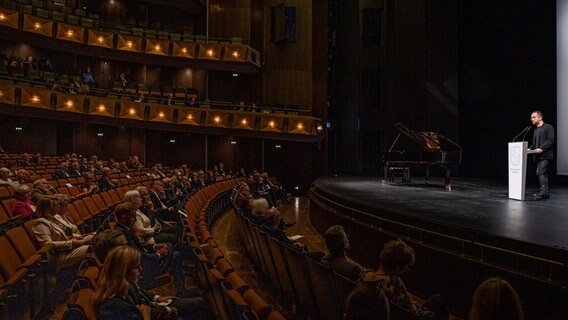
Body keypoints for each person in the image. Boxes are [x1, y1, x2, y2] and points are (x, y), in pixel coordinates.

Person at [363, 240, 447, 320]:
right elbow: (412, 313)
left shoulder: (364, 276)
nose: (404, 271)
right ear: (397, 268)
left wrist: (408, 303)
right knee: (437, 300)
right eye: (405, 268)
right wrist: (413, 307)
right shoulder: (394, 283)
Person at [32, 195, 92, 271]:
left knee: (97, 236)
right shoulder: (41, 224)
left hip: (69, 248)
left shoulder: (54, 218)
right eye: (56, 205)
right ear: (49, 208)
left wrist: (74, 236)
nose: (59, 207)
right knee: (93, 247)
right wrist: (72, 243)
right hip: (61, 255)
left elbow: (62, 233)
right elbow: (47, 244)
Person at [94, 246, 152, 320]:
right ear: (123, 271)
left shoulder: (116, 293)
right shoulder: (115, 307)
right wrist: (146, 315)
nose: (141, 269)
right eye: (136, 267)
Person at [529, 111, 555, 200]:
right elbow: (535, 144)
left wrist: (542, 148)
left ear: (540, 118)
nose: (531, 119)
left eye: (533, 117)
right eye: (531, 117)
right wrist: (530, 148)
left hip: (546, 155)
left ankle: (543, 192)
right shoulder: (536, 130)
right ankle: (546, 193)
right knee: (543, 172)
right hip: (538, 156)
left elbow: (550, 140)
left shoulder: (548, 127)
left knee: (539, 172)